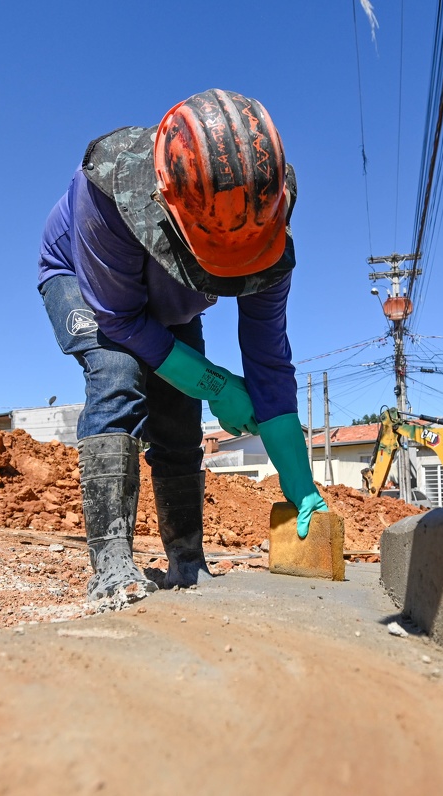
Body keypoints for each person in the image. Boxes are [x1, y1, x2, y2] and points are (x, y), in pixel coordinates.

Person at [37, 89, 327, 604]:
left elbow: (267, 355)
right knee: (117, 375)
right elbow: (122, 321)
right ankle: (111, 565)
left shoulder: (263, 213)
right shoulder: (108, 187)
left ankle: (187, 561)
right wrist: (216, 383)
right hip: (88, 283)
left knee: (178, 414)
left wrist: (299, 480)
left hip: (171, 298)